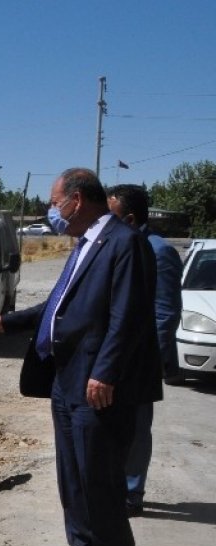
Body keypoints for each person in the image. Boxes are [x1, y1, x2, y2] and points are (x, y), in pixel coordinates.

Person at [0, 168, 161, 546]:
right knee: (72, 473)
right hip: (66, 378)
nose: (53, 212)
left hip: (97, 382)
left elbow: (128, 317)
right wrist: (7, 321)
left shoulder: (125, 243)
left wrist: (106, 371)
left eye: (56, 203)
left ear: (77, 200)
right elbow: (57, 305)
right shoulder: (84, 244)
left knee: (100, 475)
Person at [107, 183, 183, 517]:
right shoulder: (115, 245)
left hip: (139, 360)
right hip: (113, 356)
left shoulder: (159, 251)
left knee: (137, 430)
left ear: (132, 218)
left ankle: (131, 494)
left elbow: (165, 313)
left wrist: (153, 361)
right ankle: (112, 487)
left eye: (113, 217)